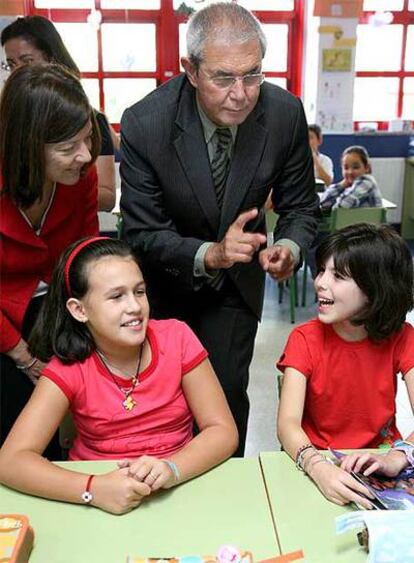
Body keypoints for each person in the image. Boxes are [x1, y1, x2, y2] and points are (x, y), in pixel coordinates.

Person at [120, 2, 320, 456]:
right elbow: (142, 233)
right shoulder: (145, 123)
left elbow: (302, 207)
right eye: (223, 78)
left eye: (253, 75)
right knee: (161, 412)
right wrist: (211, 253)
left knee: (226, 402)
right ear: (190, 70)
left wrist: (287, 246)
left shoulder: (284, 114)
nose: (241, 93)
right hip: (165, 284)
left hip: (235, 286)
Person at [0, 237, 238, 515]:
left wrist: (172, 469)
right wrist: (93, 488)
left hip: (178, 489)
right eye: (116, 296)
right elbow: (10, 461)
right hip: (99, 502)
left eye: (139, 292)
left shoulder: (177, 338)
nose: (135, 307)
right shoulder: (69, 367)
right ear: (79, 310)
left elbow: (223, 431)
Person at [0, 64, 100, 455]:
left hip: (58, 307)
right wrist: (23, 357)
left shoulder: (83, 176)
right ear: (27, 146)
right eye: (67, 147)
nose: (85, 155)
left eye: (88, 139)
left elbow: (86, 257)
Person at [277, 223, 414, 508]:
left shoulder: (403, 337)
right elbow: (287, 424)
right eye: (321, 271)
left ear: (376, 289)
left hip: (379, 460)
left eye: (338, 275)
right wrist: (317, 466)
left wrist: (395, 457)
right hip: (316, 458)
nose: (320, 283)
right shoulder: (304, 339)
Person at [1, 15, 116, 212]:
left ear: (51, 59)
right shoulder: (8, 123)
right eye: (11, 64)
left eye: (27, 61)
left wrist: (61, 189)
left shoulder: (91, 122)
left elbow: (106, 196)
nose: (17, 73)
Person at [320, 145, 382, 210]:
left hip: (366, 220)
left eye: (356, 167)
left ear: (366, 167)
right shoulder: (349, 184)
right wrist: (342, 185)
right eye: (346, 168)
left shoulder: (366, 182)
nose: (350, 172)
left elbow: (342, 206)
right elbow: (322, 203)